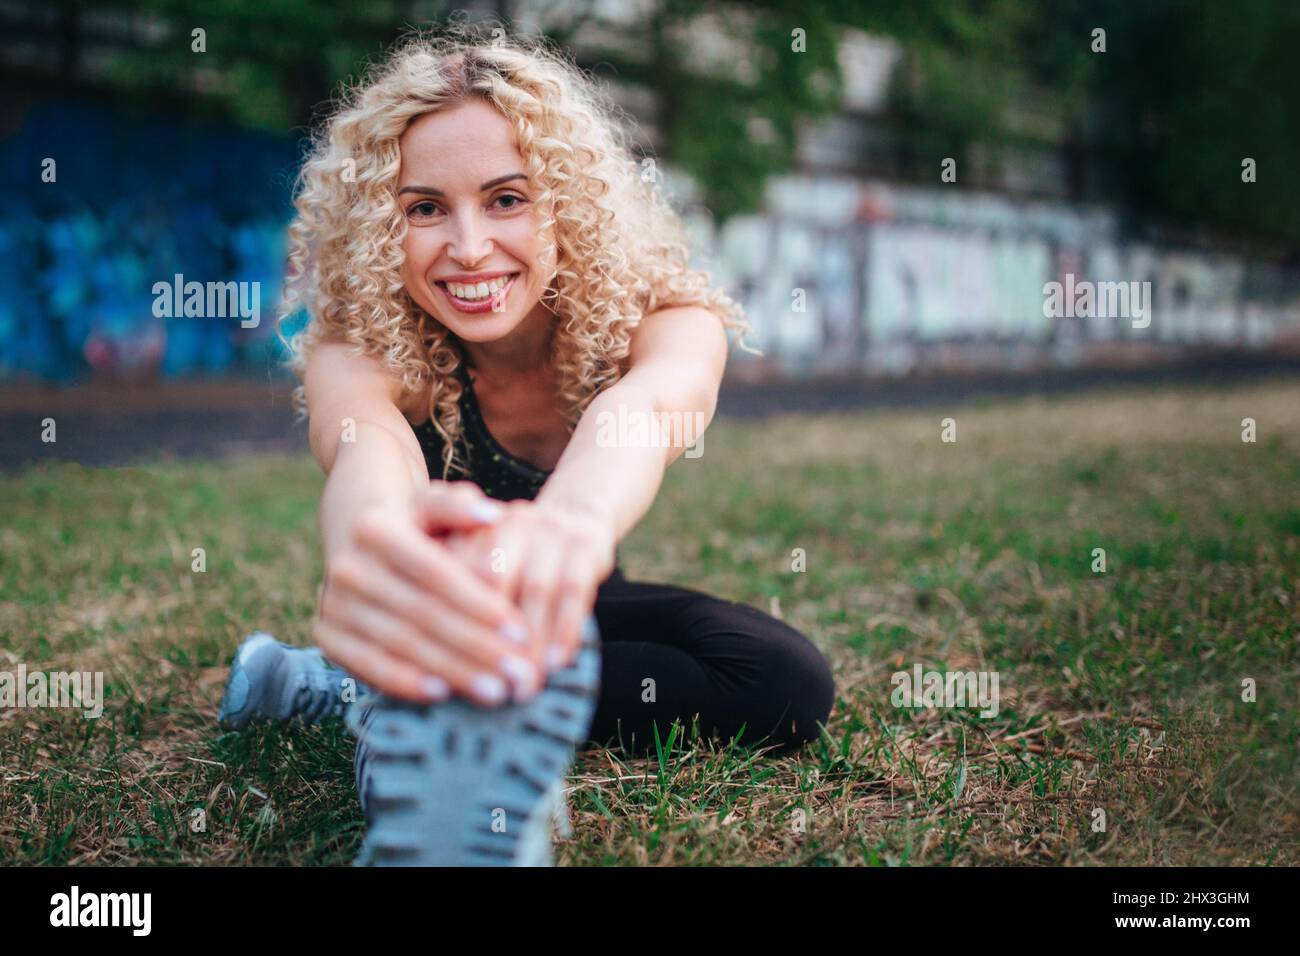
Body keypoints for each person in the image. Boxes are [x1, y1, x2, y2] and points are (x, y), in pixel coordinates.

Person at [218, 26, 835, 866]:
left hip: (562, 592)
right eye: (424, 208)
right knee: (456, 632)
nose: (468, 248)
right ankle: (407, 714)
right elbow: (362, 444)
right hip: (437, 595)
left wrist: (569, 528)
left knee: (781, 679)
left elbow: (644, 414)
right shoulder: (359, 341)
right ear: (379, 225)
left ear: (568, 205)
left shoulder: (667, 321)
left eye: (507, 198)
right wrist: (376, 548)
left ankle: (356, 691)